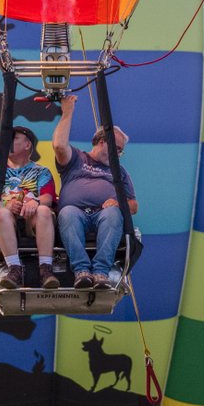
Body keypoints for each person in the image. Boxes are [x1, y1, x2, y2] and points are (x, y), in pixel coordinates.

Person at [52, 95, 138, 289]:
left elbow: (133, 205)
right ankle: (81, 270)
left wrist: (118, 203)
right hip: (76, 214)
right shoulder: (76, 159)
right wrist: (68, 112)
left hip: (103, 215)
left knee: (114, 214)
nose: (118, 154)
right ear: (100, 141)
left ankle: (100, 272)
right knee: (67, 212)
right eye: (115, 148)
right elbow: (58, 145)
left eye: (120, 151)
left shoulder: (119, 172)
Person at [0, 125, 59, 289]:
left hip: (32, 222)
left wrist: (35, 203)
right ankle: (14, 269)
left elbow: (48, 200)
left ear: (27, 145)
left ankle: (46, 270)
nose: (6, 141)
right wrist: (6, 205)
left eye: (13, 138)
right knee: (0, 213)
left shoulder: (41, 172)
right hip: (5, 223)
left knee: (43, 210)